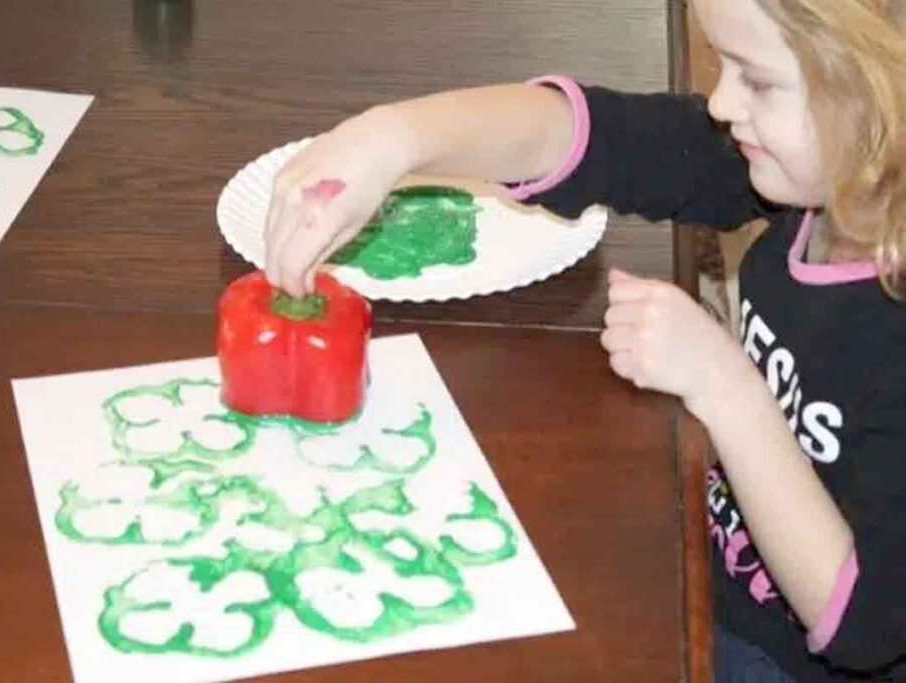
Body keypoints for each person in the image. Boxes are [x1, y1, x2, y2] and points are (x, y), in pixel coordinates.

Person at [262, 0, 906, 679]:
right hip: (703, 562)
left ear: (879, 90)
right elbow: (602, 139)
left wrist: (726, 385)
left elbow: (861, 622)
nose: (720, 104)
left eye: (758, 80)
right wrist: (391, 139)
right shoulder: (812, 185)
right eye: (724, 66)